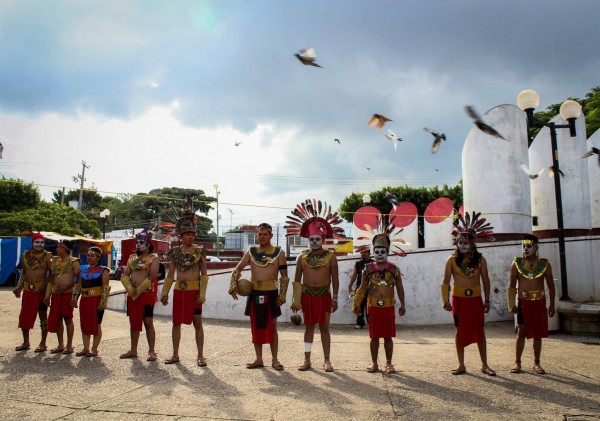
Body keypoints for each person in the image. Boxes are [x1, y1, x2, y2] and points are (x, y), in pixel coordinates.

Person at [286, 199, 341, 372]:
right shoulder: (301, 257)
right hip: (307, 296)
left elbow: (335, 279)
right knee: (309, 327)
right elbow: (297, 280)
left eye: (317, 238)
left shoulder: (331, 256)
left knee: (324, 328)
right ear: (308, 240)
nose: (315, 241)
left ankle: (327, 360)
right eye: (312, 239)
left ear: (322, 239)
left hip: (324, 296)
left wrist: (335, 298)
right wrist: (296, 300)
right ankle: (307, 359)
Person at [440, 211, 496, 376]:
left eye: (466, 242)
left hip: (476, 300)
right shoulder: (451, 260)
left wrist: (487, 301)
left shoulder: (480, 259)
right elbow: (445, 281)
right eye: (460, 242)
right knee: (459, 330)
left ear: (472, 243)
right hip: (459, 300)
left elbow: (486, 281)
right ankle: (461, 364)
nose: (463, 245)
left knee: (480, 330)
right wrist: (445, 300)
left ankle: (485, 364)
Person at [228, 223, 289, 370]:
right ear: (257, 235)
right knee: (256, 326)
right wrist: (232, 286)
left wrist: (282, 295)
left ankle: (275, 360)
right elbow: (238, 269)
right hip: (255, 293)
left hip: (272, 293)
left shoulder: (279, 253)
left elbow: (284, 276)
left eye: (265, 234)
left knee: (272, 327)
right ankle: (259, 359)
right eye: (260, 234)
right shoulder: (251, 251)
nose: (262, 237)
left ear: (271, 235)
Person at [352, 221, 406, 375]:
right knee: (374, 337)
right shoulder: (367, 269)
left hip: (388, 306)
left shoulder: (394, 269)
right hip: (373, 307)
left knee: (388, 336)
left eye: (383, 251)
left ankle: (389, 363)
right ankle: (374, 362)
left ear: (387, 251)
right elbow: (362, 288)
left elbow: (400, 288)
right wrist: (356, 304)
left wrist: (402, 304)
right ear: (373, 251)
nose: (380, 254)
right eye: (377, 251)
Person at [160, 197, 209, 366]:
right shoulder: (175, 252)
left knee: (198, 323)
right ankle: (175, 354)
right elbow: (171, 273)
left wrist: (202, 294)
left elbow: (204, 274)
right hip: (180, 292)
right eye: (187, 234)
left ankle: (201, 355)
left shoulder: (200, 251)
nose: (190, 237)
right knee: (176, 323)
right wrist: (164, 292)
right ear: (182, 236)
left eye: (192, 234)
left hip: (195, 292)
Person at [507, 234, 555, 374]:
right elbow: (511, 286)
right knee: (521, 332)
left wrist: (551, 305)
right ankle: (517, 362)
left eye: (529, 246)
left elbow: (551, 286)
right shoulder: (517, 263)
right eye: (523, 246)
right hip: (523, 302)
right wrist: (511, 304)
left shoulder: (544, 264)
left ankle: (537, 363)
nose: (525, 249)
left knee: (538, 334)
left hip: (539, 302)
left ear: (536, 247)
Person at [120, 231, 160, 361]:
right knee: (134, 322)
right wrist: (131, 290)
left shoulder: (154, 258)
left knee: (148, 322)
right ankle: (133, 350)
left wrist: (138, 291)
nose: (138, 245)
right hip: (132, 295)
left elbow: (152, 276)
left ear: (148, 244)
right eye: (137, 242)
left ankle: (152, 351)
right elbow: (126, 275)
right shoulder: (132, 258)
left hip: (146, 294)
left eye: (141, 242)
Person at [14, 232, 52, 352]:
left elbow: (52, 273)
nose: (39, 244)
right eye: (37, 242)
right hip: (28, 291)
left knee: (43, 317)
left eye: (42, 242)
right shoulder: (26, 254)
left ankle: (43, 343)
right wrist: (18, 287)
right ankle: (26, 342)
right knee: (24, 317)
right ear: (32, 243)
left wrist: (45, 286)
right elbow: (24, 273)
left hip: (41, 291)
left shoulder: (47, 255)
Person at [72, 246, 110, 357]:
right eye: (88, 255)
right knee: (84, 324)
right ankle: (86, 348)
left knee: (96, 324)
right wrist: (75, 298)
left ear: (98, 257)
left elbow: (105, 288)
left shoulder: (104, 270)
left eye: (92, 256)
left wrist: (102, 303)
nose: (89, 257)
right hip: (85, 300)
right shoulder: (83, 269)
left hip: (96, 300)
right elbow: (78, 285)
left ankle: (94, 349)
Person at [44, 240, 80, 354]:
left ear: (65, 248)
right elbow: (51, 277)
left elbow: (79, 279)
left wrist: (74, 295)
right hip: (55, 294)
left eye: (59, 247)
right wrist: (48, 294)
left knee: (68, 319)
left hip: (67, 294)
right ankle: (60, 345)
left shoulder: (74, 262)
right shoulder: (55, 260)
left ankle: (69, 345)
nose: (57, 249)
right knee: (58, 319)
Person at [348, 250, 374, 329]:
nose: (362, 254)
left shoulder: (374, 263)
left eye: (364, 253)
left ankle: (372, 323)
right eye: (361, 253)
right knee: (359, 305)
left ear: (369, 254)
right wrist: (350, 285)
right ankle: (360, 323)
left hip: (371, 287)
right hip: (359, 287)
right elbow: (354, 275)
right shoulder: (358, 264)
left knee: (371, 305)